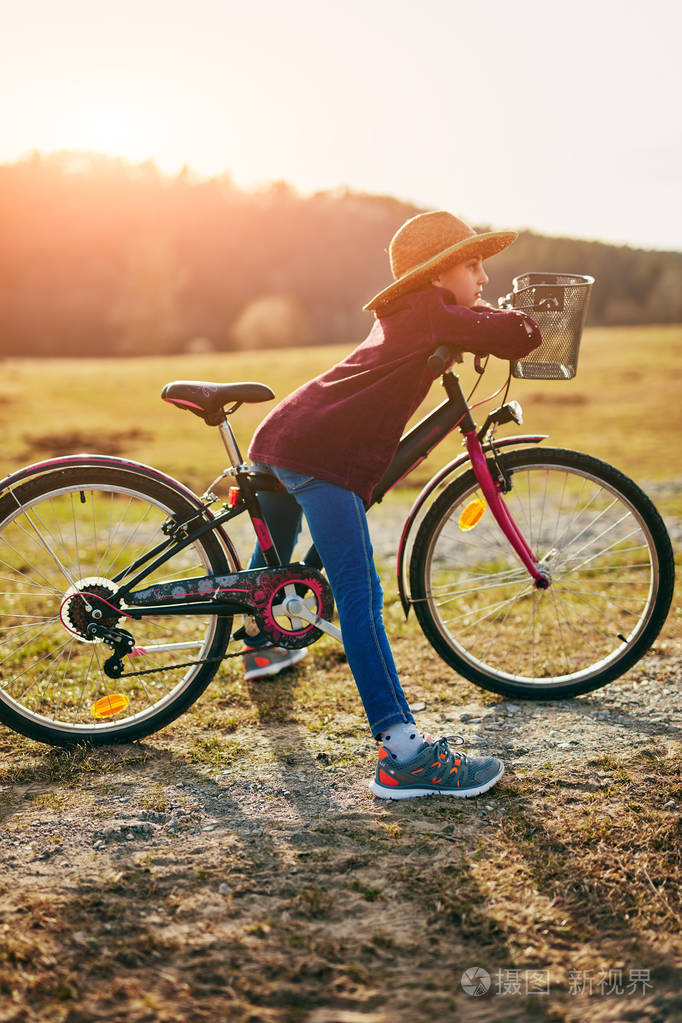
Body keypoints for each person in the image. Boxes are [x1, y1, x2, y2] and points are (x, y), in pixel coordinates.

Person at [242, 210, 541, 799]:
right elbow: (521, 336)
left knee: (275, 568)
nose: (484, 278)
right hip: (317, 453)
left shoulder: (414, 312)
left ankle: (261, 645)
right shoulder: (429, 312)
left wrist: (472, 316)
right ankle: (404, 755)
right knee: (361, 595)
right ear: (437, 274)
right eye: (474, 266)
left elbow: (470, 323)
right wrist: (510, 314)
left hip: (286, 436)